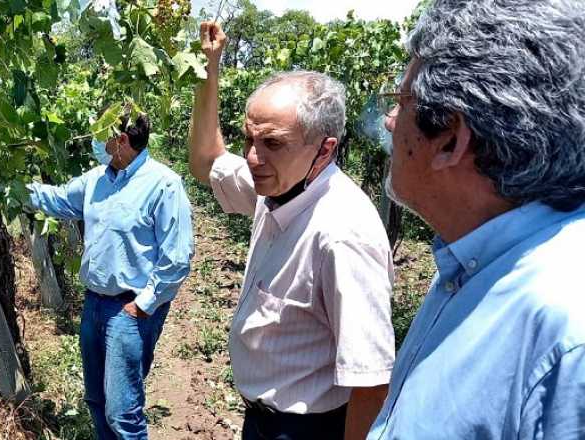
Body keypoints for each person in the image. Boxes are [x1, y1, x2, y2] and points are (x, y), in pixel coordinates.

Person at [369, 1, 585, 438]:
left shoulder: (565, 333)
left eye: (400, 101)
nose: (390, 122)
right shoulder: (474, 259)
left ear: (449, 138)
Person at [187, 21, 396, 440]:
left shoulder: (341, 234)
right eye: (249, 138)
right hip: (264, 420)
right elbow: (205, 162)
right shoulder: (277, 184)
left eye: (272, 143)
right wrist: (211, 67)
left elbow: (371, 381)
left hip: (307, 430)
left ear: (325, 150)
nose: (252, 156)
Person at [26, 111, 194, 439]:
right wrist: (15, 189)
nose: (95, 142)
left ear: (121, 140)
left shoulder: (164, 184)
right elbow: (59, 199)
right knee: (97, 402)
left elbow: (177, 259)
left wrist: (142, 306)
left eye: (103, 134)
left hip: (131, 312)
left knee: (122, 411)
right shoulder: (96, 180)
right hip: (94, 306)